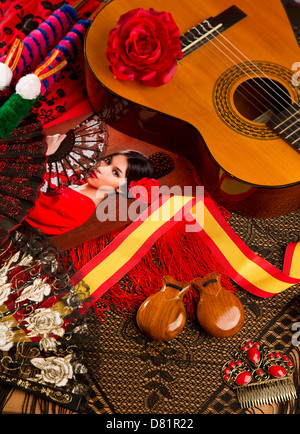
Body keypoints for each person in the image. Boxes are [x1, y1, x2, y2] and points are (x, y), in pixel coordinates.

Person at [25, 134, 155, 236]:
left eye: (115, 173)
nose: (101, 168)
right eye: (108, 161)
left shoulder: (79, 208)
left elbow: (22, 199)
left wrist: (40, 154)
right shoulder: (79, 180)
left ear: (123, 189)